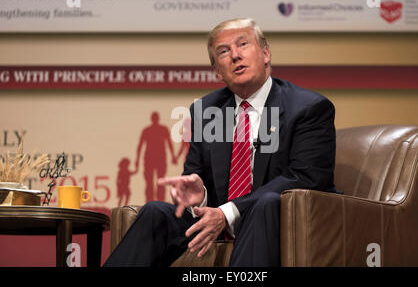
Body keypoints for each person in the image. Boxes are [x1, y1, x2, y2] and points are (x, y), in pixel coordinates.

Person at [104, 18, 336, 267]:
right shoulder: (207, 110)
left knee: (266, 204)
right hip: (217, 217)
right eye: (223, 52)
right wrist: (200, 194)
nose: (235, 56)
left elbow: (304, 177)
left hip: (273, 221)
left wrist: (228, 213)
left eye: (243, 44)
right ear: (217, 70)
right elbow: (195, 174)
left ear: (265, 53)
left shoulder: (307, 108)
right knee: (154, 213)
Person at [135, 111, 177, 202]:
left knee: (159, 182)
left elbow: (169, 143)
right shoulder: (150, 130)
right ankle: (150, 202)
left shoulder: (160, 129)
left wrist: (173, 156)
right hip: (151, 158)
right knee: (151, 182)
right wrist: (137, 160)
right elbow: (140, 145)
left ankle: (158, 202)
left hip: (159, 158)